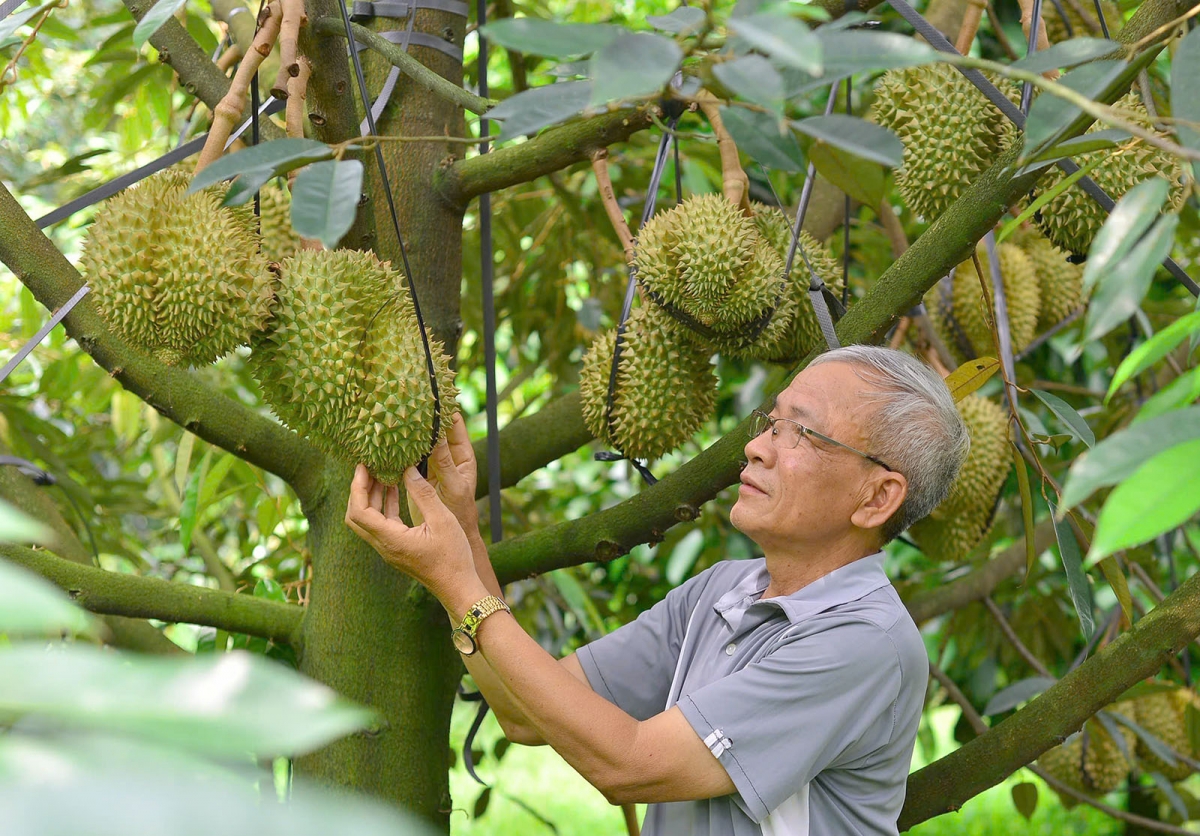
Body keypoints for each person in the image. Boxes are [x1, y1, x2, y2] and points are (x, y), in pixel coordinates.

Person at [344, 344, 970, 836]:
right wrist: (462, 529)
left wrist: (459, 585)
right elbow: (523, 712)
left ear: (877, 497)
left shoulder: (863, 644)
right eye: (771, 422)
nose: (756, 447)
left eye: (800, 433)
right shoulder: (722, 592)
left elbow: (631, 765)